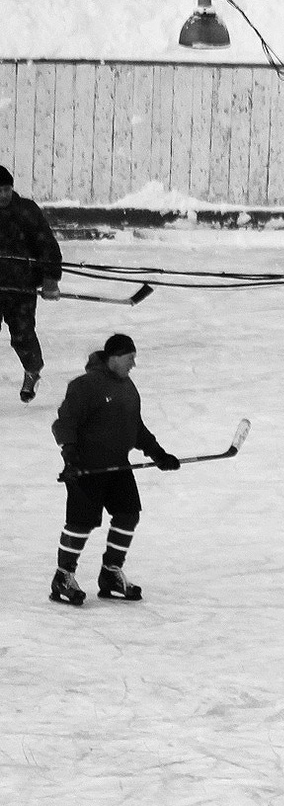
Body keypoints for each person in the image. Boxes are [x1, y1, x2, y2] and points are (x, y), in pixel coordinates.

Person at [49, 332, 176, 607]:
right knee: (82, 522)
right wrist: (70, 456)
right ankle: (63, 576)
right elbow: (65, 422)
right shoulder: (85, 386)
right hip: (87, 467)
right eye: (130, 358)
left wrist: (158, 453)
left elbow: (136, 427)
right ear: (114, 357)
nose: (133, 364)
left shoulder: (128, 387)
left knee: (128, 515)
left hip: (118, 465)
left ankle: (110, 573)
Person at [0, 164, 64, 403]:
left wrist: (50, 280)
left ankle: (32, 370)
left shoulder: (26, 211)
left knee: (23, 335)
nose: (3, 195)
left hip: (21, 287)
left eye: (7, 189)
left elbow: (47, 246)